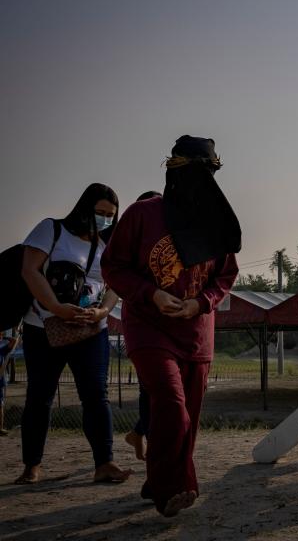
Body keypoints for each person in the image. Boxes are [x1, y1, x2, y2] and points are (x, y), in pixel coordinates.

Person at [102, 136, 239, 517]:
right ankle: (175, 489)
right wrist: (150, 294)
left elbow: (226, 274)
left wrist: (201, 302)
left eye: (210, 174)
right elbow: (113, 267)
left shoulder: (216, 219)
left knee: (188, 419)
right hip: (149, 327)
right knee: (171, 405)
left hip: (197, 333)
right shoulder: (142, 214)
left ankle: (157, 478)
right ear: (175, 172)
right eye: (197, 173)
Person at [15, 183, 129, 485]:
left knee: (96, 395)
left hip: (91, 329)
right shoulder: (51, 230)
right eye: (100, 212)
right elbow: (30, 270)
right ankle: (32, 466)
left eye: (110, 216)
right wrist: (55, 306)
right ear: (84, 207)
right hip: (44, 328)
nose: (105, 219)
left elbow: (115, 285)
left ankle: (104, 463)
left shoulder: (108, 246)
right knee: (39, 397)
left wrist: (103, 312)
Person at [122, 190, 162, 462]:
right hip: (142, 322)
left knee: (153, 388)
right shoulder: (131, 246)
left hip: (166, 323)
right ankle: (146, 438)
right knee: (151, 387)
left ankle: (140, 435)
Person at [0, 324, 20, 436]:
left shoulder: (2, 350)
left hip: (0, 383)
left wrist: (5, 337)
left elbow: (14, 341)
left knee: (0, 405)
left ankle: (0, 428)